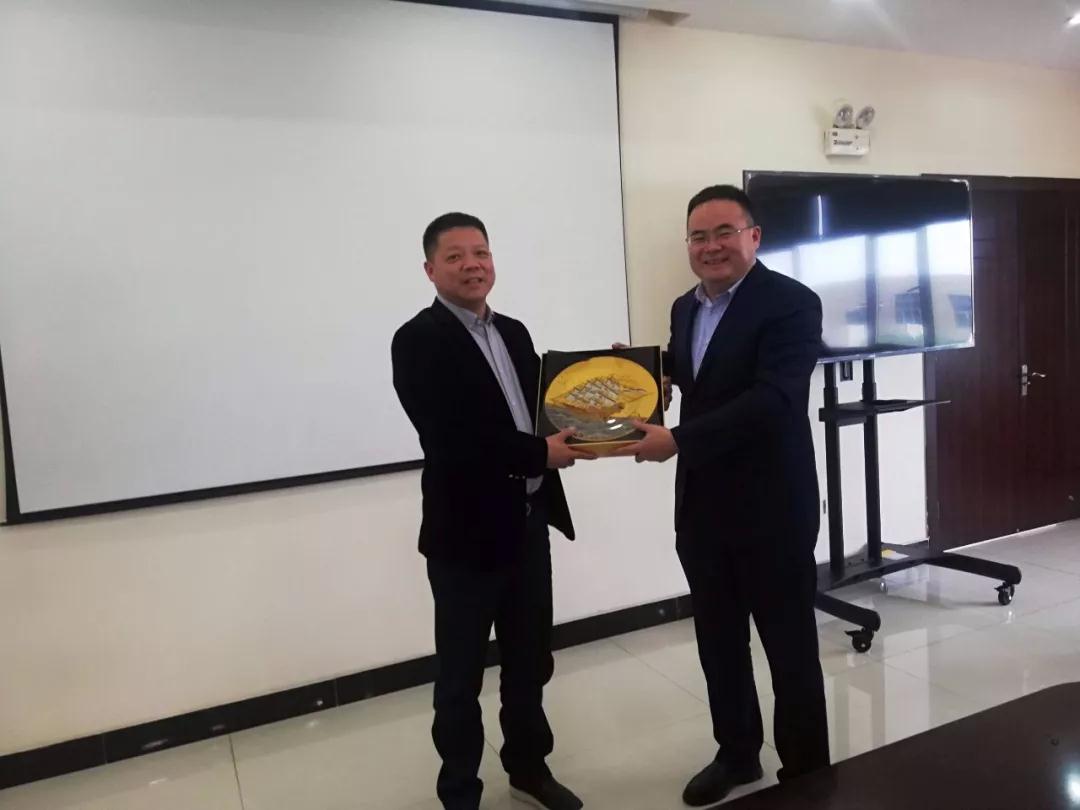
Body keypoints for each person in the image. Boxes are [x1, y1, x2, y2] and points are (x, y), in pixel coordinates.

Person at [614, 185, 829, 805]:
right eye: (699, 236)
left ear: (753, 236)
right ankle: (737, 754)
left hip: (774, 507)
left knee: (789, 649)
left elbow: (773, 398)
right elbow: (701, 376)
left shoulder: (792, 302)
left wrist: (679, 439)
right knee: (718, 642)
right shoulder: (685, 308)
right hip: (703, 507)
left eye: (724, 233)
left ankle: (807, 775)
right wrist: (647, 375)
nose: (710, 247)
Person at [391, 212, 594, 810]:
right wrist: (539, 454)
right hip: (465, 539)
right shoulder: (418, 340)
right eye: (454, 256)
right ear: (430, 270)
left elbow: (547, 409)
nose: (471, 265)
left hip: (528, 526)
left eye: (480, 252)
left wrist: (621, 388)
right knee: (460, 678)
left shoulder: (514, 333)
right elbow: (451, 437)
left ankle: (528, 769)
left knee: (530, 662)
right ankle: (460, 793)